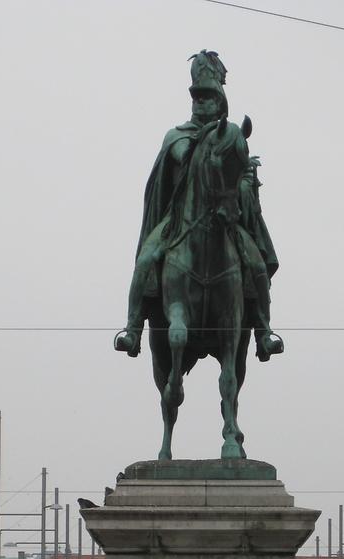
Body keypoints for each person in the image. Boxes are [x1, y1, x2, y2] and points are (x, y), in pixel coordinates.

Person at [115, 49, 283, 362]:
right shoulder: (177, 135)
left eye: (208, 97)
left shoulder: (231, 138)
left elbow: (241, 172)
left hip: (225, 218)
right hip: (179, 220)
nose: (201, 102)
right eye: (197, 97)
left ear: (220, 101)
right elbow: (180, 157)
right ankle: (133, 327)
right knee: (146, 258)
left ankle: (263, 330)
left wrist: (244, 178)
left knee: (257, 265)